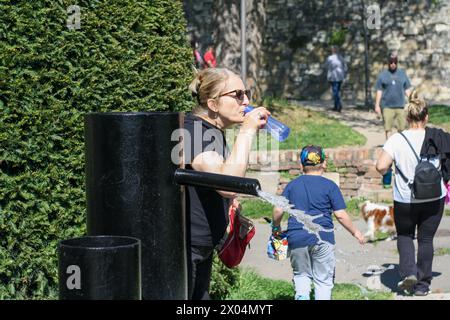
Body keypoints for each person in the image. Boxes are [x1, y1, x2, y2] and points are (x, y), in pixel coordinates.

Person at [184, 67, 270, 300]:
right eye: (238, 94)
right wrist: (248, 130)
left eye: (247, 93)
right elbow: (227, 183)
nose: (247, 101)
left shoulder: (210, 130)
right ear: (213, 104)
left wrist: (229, 204)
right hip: (185, 249)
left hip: (201, 244)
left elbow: (216, 183)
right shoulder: (193, 132)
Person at [376, 91, 446, 296]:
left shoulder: (397, 140)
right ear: (426, 117)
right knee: (426, 240)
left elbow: (381, 166)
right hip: (434, 198)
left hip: (406, 199)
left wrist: (391, 170)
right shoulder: (437, 137)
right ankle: (423, 286)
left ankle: (408, 273)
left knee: (405, 235)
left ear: (407, 118)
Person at [272, 145, 365, 300]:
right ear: (324, 164)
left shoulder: (292, 186)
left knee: (301, 275)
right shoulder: (330, 186)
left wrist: (276, 228)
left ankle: (302, 296)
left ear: (301, 166)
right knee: (323, 280)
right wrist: (355, 232)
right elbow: (341, 215)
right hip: (323, 239)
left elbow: (278, 210)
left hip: (297, 238)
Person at [375, 52, 413, 140]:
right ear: (388, 62)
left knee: (402, 128)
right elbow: (379, 91)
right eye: (391, 62)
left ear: (397, 63)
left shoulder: (402, 74)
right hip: (387, 106)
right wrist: (377, 105)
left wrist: (413, 102)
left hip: (400, 106)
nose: (393, 64)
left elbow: (407, 89)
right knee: (388, 128)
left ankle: (401, 146)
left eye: (395, 62)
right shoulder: (383, 75)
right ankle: (389, 146)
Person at [324, 46, 348, 112]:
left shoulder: (330, 58)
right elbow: (346, 68)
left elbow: (326, 66)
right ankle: (336, 106)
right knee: (337, 91)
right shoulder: (341, 58)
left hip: (333, 77)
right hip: (340, 77)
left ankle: (339, 105)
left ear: (332, 50)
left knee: (335, 92)